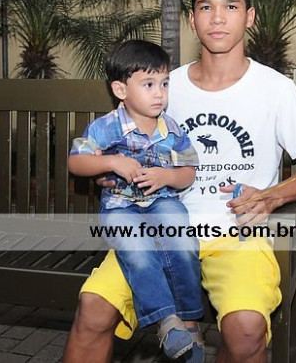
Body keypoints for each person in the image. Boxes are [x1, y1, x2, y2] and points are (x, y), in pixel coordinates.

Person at [64, 0, 296, 363]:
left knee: (246, 331)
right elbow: (115, 143)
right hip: (156, 228)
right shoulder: (162, 86)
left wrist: (271, 196)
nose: (218, 18)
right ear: (192, 20)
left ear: (249, 16)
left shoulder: (275, 90)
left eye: (231, 6)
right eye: (206, 7)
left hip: (235, 234)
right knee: (93, 309)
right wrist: (112, 169)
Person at [68, 40, 203, 360]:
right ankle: (166, 322)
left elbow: (188, 172)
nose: (160, 93)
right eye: (148, 84)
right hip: (120, 206)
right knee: (138, 249)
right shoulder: (105, 128)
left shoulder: (171, 129)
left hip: (162, 200)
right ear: (120, 89)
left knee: (182, 239)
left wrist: (166, 177)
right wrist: (111, 162)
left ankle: (189, 321)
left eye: (164, 84)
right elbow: (76, 162)